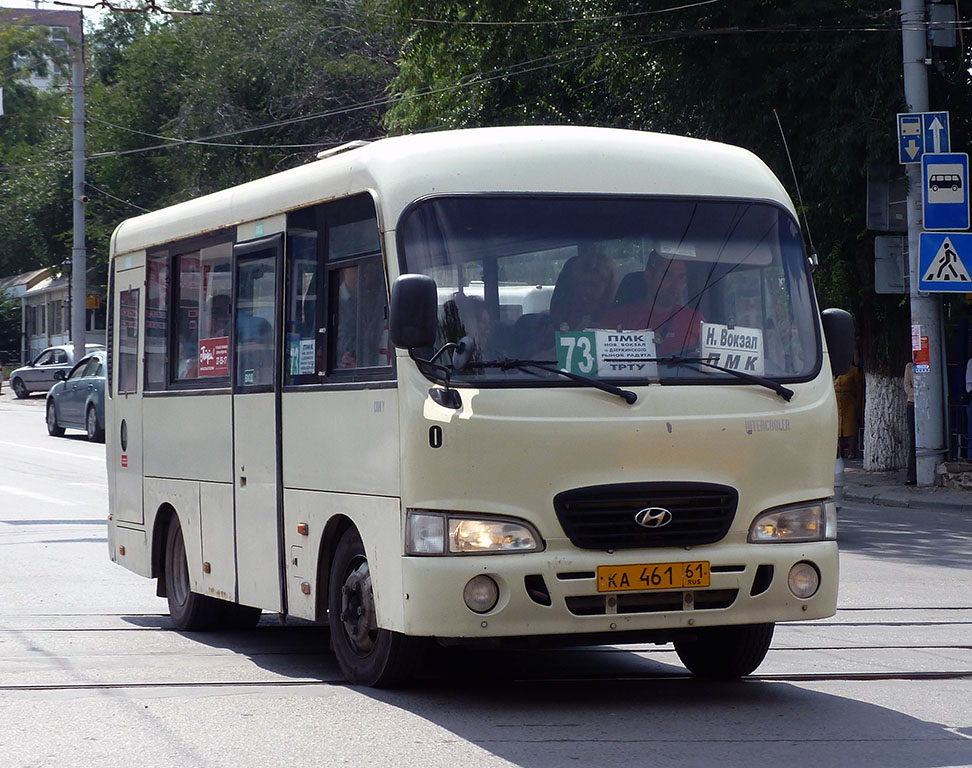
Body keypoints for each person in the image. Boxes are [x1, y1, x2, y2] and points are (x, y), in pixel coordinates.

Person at [600, 254, 705, 356]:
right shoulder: (617, 319)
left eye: (681, 277)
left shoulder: (694, 320)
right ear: (648, 276)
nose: (675, 284)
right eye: (667, 276)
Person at [548, 247, 617, 332]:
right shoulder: (563, 319)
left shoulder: (618, 320)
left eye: (594, 285)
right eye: (582, 284)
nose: (587, 290)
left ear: (607, 287)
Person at [834, 349, 863, 459]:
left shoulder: (853, 371)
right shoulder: (834, 371)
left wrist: (858, 402)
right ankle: (839, 452)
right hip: (837, 400)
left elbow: (859, 387)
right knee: (838, 428)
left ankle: (851, 452)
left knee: (850, 427)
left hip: (849, 401)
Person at [904, 361, 916, 485]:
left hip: (926, 405)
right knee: (913, 440)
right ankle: (911, 475)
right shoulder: (910, 366)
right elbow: (907, 386)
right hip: (912, 404)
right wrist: (918, 393)